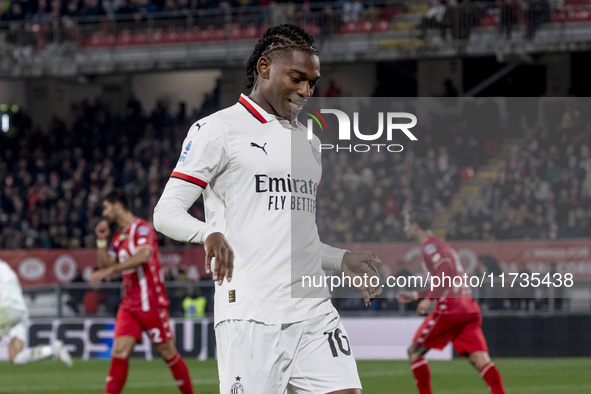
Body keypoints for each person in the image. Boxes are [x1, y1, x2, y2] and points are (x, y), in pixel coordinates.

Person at [154, 24, 382, 394]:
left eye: (312, 81)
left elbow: (294, 240)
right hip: (252, 314)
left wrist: (341, 260)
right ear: (264, 68)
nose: (306, 91)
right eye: (297, 78)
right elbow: (165, 212)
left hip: (312, 310)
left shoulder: (309, 142)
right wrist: (207, 232)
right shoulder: (217, 129)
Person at [88, 191, 194, 394]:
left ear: (117, 205)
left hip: (151, 302)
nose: (104, 213)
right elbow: (106, 264)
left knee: (167, 353)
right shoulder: (119, 237)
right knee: (119, 351)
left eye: (106, 207)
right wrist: (101, 242)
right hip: (129, 305)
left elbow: (143, 256)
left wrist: (112, 269)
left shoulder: (143, 228)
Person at [397, 207, 506, 394]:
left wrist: (429, 300)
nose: (404, 228)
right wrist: (417, 295)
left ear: (415, 226)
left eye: (406, 224)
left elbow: (446, 270)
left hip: (451, 308)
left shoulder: (430, 246)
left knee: (414, 352)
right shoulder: (440, 244)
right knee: (480, 360)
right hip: (468, 306)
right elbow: (448, 278)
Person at [0, 259, 72, 367]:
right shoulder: (5, 267)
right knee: (16, 358)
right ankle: (54, 349)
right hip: (21, 311)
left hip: (7, 308)